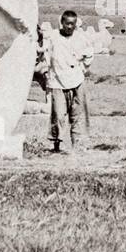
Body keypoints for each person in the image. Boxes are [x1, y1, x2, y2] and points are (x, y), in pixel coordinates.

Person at [45, 10, 94, 153]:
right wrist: (50, 73)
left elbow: (89, 54)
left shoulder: (81, 38)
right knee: (59, 114)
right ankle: (56, 144)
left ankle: (77, 144)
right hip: (57, 82)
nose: (70, 27)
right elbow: (47, 56)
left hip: (77, 80)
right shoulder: (53, 38)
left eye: (73, 24)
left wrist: (82, 68)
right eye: (67, 24)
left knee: (78, 113)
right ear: (62, 23)